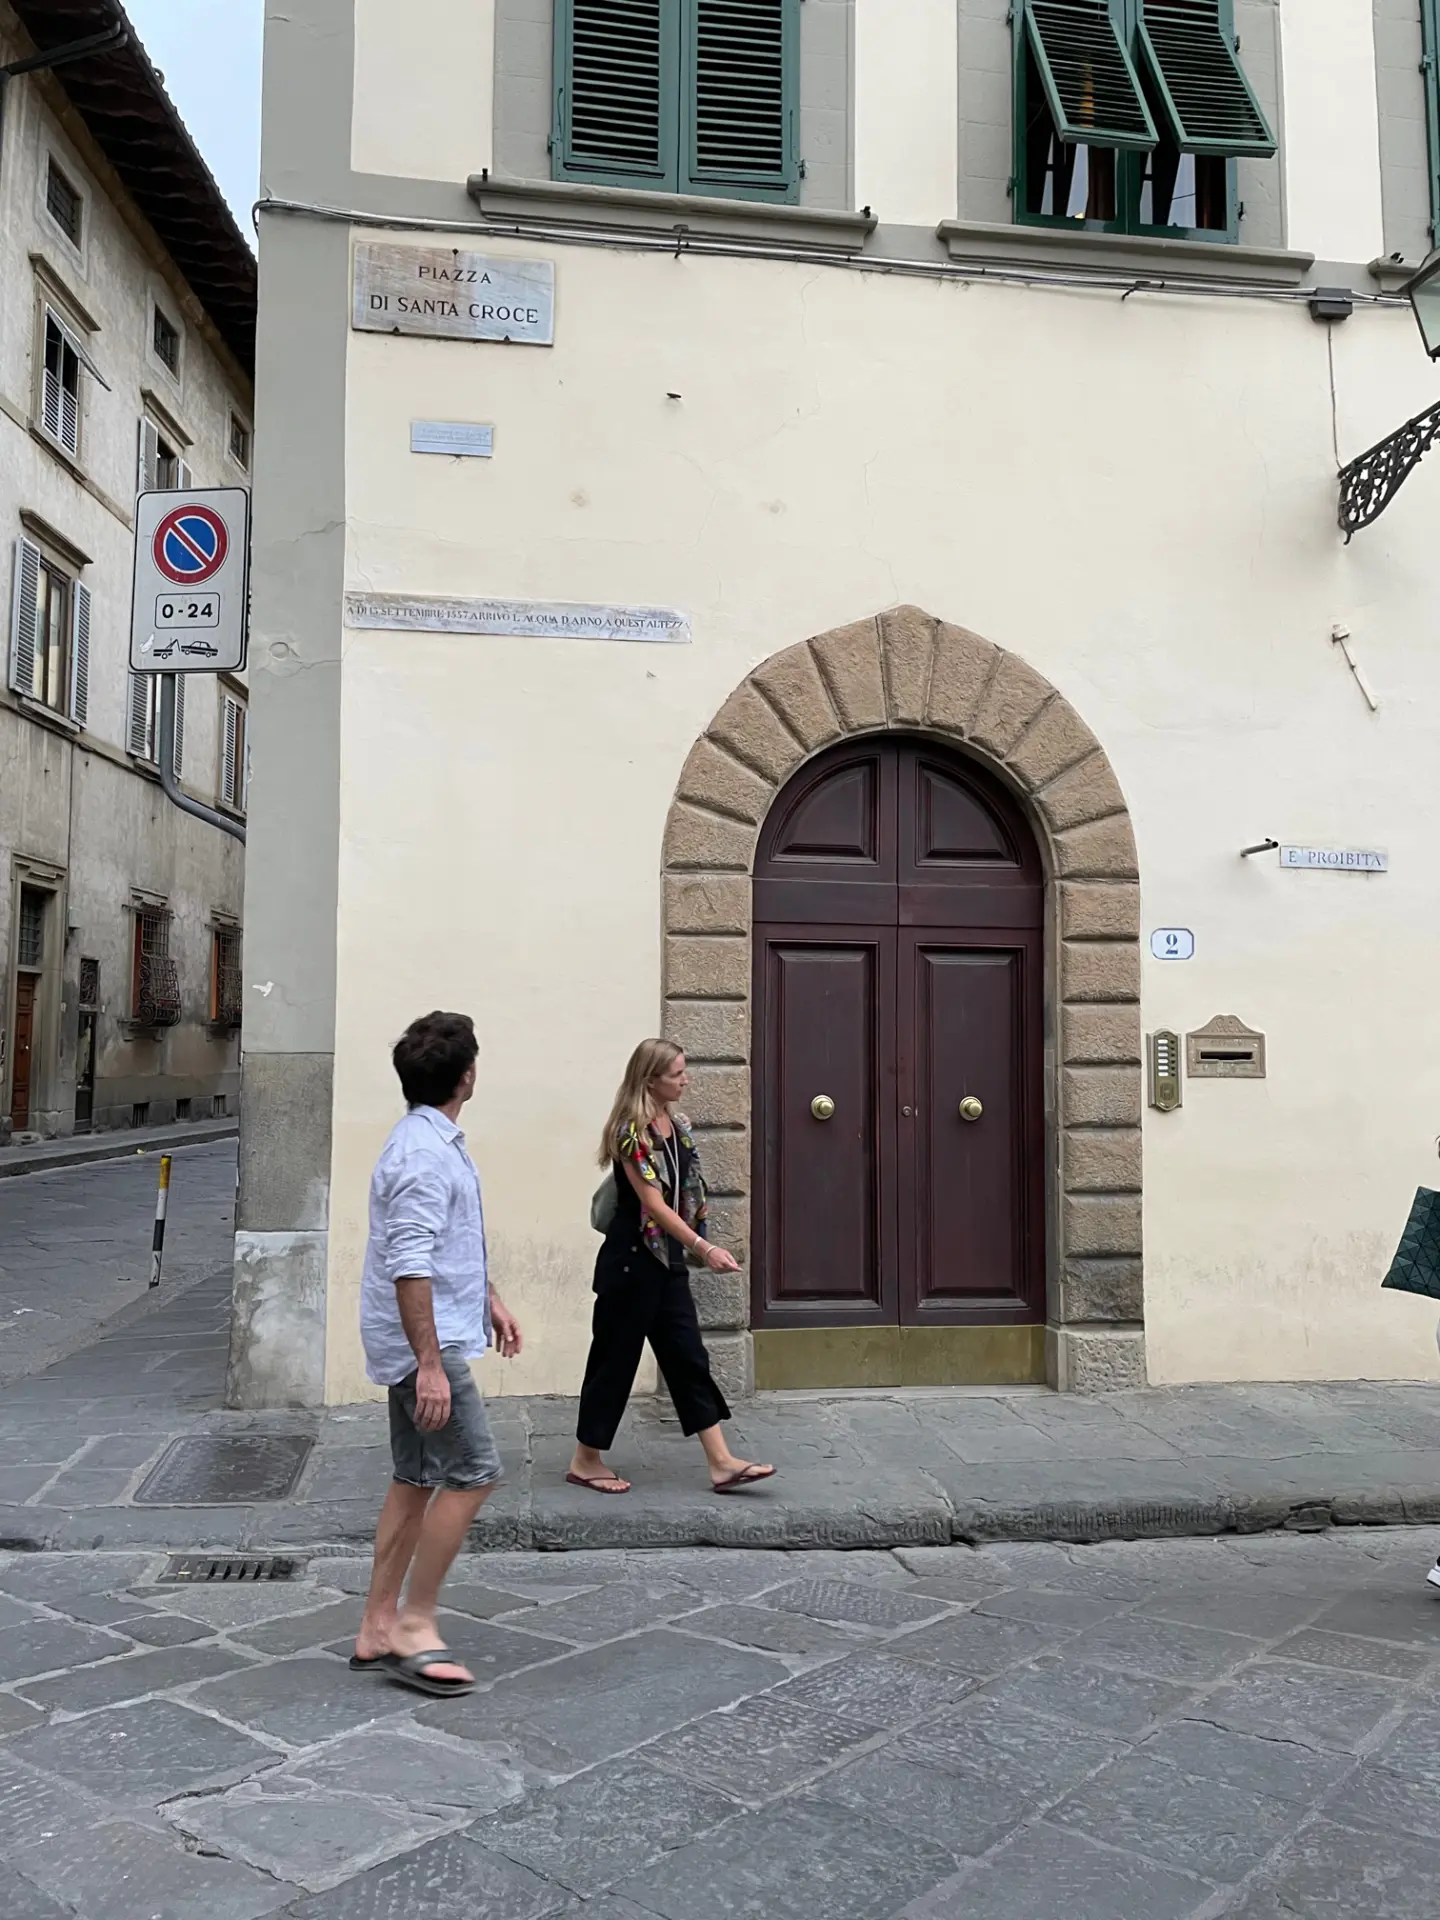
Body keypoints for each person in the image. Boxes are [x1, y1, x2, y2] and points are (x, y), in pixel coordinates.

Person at [351, 1010, 522, 1696]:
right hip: (425, 1341)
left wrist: (488, 1295)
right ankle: (416, 1624)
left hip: (427, 1330)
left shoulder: (426, 1139)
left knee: (416, 1475)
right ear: (468, 1075)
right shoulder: (424, 1155)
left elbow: (442, 1245)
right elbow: (410, 1265)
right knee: (475, 1471)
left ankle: (374, 1626)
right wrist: (429, 1365)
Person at [567, 1038, 775, 1496]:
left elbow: (685, 1193)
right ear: (650, 1080)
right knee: (614, 1362)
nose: (686, 1079)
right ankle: (586, 1460)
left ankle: (721, 1462)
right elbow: (653, 1205)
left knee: (687, 1358)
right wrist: (705, 1248)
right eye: (677, 1073)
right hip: (631, 1264)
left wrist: (692, 1245)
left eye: (684, 1071)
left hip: (666, 1262)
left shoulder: (676, 1127)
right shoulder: (631, 1132)